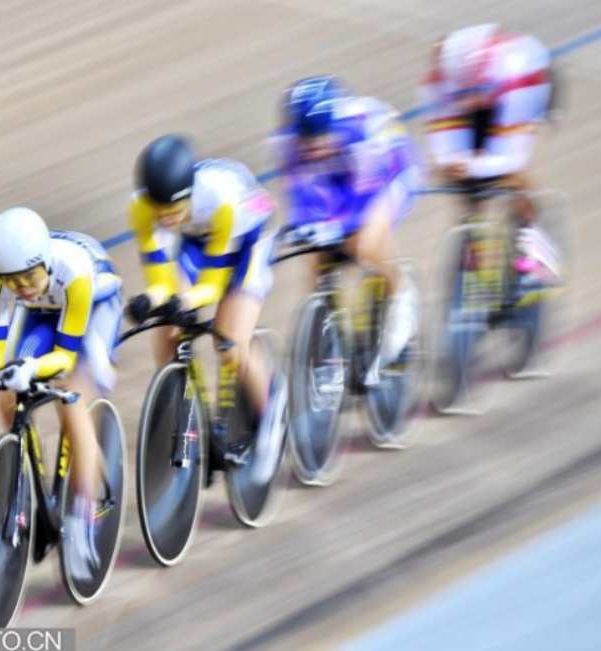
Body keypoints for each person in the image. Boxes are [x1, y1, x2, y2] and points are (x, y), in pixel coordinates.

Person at [0, 207, 123, 581]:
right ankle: (29, 475)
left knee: (72, 396)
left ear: (46, 262)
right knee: (8, 392)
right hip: (45, 311)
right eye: (12, 282)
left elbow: (65, 357)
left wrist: (33, 367)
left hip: (93, 310)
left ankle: (84, 515)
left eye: (29, 276)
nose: (22, 288)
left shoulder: (74, 272)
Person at [125, 134, 278, 472]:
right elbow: (161, 278)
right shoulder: (140, 207)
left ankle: (271, 423)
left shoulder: (221, 201)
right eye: (160, 212)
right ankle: (183, 416)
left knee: (230, 343)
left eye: (174, 211)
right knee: (168, 332)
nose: (166, 219)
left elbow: (211, 286)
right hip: (198, 239)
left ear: (190, 195)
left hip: (246, 241)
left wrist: (183, 300)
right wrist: (148, 300)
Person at [269, 76, 424, 383]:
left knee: (363, 243)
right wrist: (307, 228)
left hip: (392, 172)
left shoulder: (357, 133)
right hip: (342, 174)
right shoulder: (286, 144)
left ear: (333, 125)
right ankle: (325, 336)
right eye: (306, 139)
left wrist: (335, 229)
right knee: (317, 257)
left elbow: (363, 205)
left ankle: (401, 294)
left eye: (320, 137)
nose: (313, 146)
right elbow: (301, 198)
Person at [419, 24, 565, 292]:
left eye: (473, 96)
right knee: (466, 182)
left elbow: (510, 158)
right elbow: (444, 134)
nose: (468, 102)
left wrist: (473, 165)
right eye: (463, 96)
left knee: (511, 174)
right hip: (487, 90)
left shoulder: (516, 78)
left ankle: (533, 236)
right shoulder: (440, 78)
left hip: (529, 88)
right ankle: (473, 245)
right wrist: (449, 163)